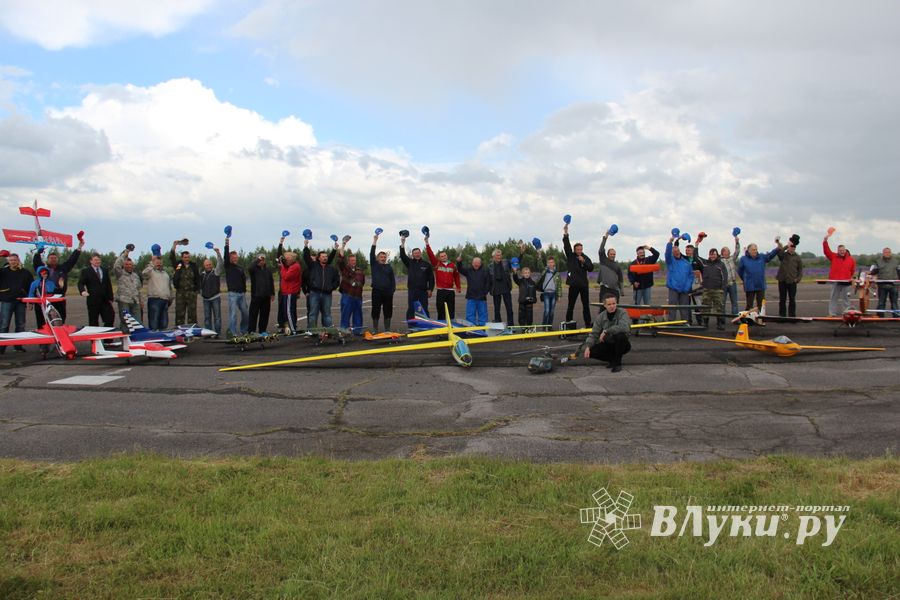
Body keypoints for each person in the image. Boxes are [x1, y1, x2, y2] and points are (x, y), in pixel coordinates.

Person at [32, 235, 83, 322]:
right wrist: (38, 253)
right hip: (45, 298)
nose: (53, 260)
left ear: (58, 259)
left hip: (59, 298)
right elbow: (36, 263)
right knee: (42, 321)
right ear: (47, 259)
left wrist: (79, 247)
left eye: (55, 258)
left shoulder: (63, 268)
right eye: (51, 258)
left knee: (60, 320)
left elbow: (72, 260)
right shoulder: (42, 268)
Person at [581, 293, 632, 373]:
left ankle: (617, 363)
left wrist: (606, 331)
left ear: (616, 303)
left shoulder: (623, 312)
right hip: (609, 342)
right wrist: (588, 346)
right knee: (590, 352)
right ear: (604, 305)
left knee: (620, 336)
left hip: (622, 344)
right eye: (609, 304)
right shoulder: (600, 317)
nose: (612, 306)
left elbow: (624, 327)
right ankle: (613, 360)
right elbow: (594, 333)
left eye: (614, 303)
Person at [562, 222, 595, 327]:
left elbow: (591, 268)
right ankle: (568, 323)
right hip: (574, 285)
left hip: (584, 285)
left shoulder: (585, 257)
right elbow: (566, 245)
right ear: (575, 250)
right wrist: (566, 233)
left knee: (586, 306)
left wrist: (583, 261)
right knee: (571, 305)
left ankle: (588, 324)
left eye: (581, 249)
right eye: (578, 249)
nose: (580, 251)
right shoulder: (571, 256)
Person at [303, 241, 340, 328]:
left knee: (327, 314)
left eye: (326, 256)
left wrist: (331, 287)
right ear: (318, 258)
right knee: (313, 313)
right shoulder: (313, 266)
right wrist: (306, 246)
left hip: (327, 294)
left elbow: (337, 280)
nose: (325, 258)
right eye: (323, 256)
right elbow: (306, 257)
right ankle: (312, 331)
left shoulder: (331, 269)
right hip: (315, 293)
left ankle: (328, 330)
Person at [0, 253, 33, 352]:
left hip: (20, 301)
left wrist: (30, 301)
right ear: (8, 261)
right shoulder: (3, 272)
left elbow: (31, 287)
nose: (13, 262)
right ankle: (2, 347)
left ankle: (18, 345)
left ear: (18, 260)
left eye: (15, 260)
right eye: (11, 260)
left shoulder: (25, 273)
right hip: (7, 300)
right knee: (4, 324)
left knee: (20, 324)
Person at [425, 234, 461, 320]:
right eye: (441, 256)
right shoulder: (437, 264)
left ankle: (451, 325)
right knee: (440, 310)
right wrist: (427, 243)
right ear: (439, 258)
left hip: (450, 292)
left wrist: (458, 287)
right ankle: (441, 326)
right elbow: (430, 255)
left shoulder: (453, 265)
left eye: (444, 256)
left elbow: (456, 276)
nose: (443, 257)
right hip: (441, 291)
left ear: (447, 256)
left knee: (451, 310)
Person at [400, 234, 434, 319]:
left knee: (424, 308)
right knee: (411, 308)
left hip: (423, 291)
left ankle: (426, 326)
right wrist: (402, 243)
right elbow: (403, 256)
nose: (417, 254)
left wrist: (430, 289)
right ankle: (411, 327)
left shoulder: (427, 264)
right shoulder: (410, 263)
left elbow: (431, 278)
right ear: (412, 255)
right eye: (415, 253)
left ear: (420, 253)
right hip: (412, 290)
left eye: (418, 253)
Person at [823, 231, 857, 316]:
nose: (842, 251)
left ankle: (847, 313)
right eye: (840, 250)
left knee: (846, 299)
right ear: (837, 251)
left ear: (845, 250)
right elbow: (826, 251)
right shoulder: (833, 256)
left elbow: (852, 270)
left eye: (843, 250)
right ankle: (832, 314)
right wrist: (825, 241)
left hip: (846, 282)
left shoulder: (851, 259)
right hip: (836, 282)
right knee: (833, 298)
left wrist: (849, 277)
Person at [737, 243, 779, 312]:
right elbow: (740, 271)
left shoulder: (762, 257)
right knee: (749, 304)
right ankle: (749, 319)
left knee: (761, 305)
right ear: (749, 251)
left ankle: (761, 319)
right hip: (749, 285)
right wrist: (745, 279)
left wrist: (777, 249)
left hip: (760, 285)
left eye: (756, 249)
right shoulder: (743, 259)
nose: (755, 251)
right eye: (753, 250)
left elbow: (770, 255)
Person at [77, 253, 115, 327]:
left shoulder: (104, 270)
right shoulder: (86, 271)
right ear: (91, 261)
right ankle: (95, 338)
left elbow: (108, 285)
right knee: (93, 321)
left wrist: (111, 297)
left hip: (105, 300)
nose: (98, 261)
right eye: (95, 260)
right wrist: (82, 291)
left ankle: (107, 337)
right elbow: (80, 283)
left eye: (99, 260)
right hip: (93, 300)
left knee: (110, 318)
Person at [695, 248, 728, 329]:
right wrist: (696, 245)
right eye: (711, 254)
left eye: (714, 254)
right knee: (705, 306)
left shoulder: (721, 264)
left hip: (718, 289)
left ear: (717, 255)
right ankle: (705, 323)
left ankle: (719, 324)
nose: (712, 256)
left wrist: (722, 288)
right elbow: (696, 257)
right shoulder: (705, 263)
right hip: (707, 289)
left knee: (719, 307)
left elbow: (725, 277)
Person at [169, 240, 200, 326]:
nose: (187, 259)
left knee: (192, 314)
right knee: (179, 313)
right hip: (180, 293)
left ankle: (192, 330)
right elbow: (172, 257)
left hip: (191, 293)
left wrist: (197, 290)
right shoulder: (178, 265)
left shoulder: (194, 266)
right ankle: (179, 331)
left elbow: (198, 278)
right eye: (185, 257)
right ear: (182, 258)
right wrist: (174, 246)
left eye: (188, 257)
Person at [223, 235, 249, 336]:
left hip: (241, 294)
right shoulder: (228, 266)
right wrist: (226, 243)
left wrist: (244, 290)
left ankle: (244, 330)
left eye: (236, 256)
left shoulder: (240, 268)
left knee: (245, 313)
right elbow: (225, 255)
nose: (235, 258)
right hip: (232, 294)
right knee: (233, 314)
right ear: (230, 258)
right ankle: (233, 333)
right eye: (233, 257)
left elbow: (243, 279)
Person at [369, 232, 396, 331]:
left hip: (388, 292)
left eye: (384, 257)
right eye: (381, 257)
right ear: (377, 258)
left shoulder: (389, 267)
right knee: (375, 310)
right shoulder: (374, 265)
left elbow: (392, 279)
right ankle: (375, 329)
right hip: (376, 291)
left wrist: (392, 290)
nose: (383, 258)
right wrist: (375, 241)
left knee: (388, 311)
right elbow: (371, 253)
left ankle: (387, 329)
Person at [337, 241, 366, 332]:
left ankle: (357, 330)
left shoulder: (360, 270)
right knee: (345, 314)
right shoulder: (345, 269)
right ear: (348, 262)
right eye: (352, 260)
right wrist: (343, 246)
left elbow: (363, 282)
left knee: (358, 314)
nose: (354, 262)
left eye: (355, 260)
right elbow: (340, 260)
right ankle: (344, 330)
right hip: (347, 295)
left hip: (358, 296)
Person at [664, 236, 694, 322]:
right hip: (673, 288)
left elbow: (690, 275)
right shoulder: (670, 261)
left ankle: (685, 323)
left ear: (679, 251)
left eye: (677, 250)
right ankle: (671, 323)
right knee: (672, 307)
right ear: (672, 252)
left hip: (684, 289)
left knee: (684, 307)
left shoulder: (686, 263)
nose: (676, 252)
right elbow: (667, 253)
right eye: (674, 251)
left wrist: (687, 287)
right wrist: (670, 242)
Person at [113, 245, 143, 330]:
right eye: (127, 264)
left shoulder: (135, 276)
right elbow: (116, 265)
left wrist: (141, 301)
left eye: (131, 264)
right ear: (124, 265)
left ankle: (136, 340)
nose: (129, 266)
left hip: (135, 301)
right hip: (124, 301)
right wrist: (126, 253)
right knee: (126, 322)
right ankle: (125, 340)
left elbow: (138, 289)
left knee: (137, 322)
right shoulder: (120, 273)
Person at [276, 237, 302, 334]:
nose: (285, 260)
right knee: (290, 310)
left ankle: (293, 329)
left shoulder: (295, 267)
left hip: (290, 291)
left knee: (289, 312)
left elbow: (285, 277)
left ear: (291, 259)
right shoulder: (291, 266)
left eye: (286, 258)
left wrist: (282, 267)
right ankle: (292, 327)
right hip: (288, 291)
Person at [456, 255, 491, 325]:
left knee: (483, 314)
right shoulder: (468, 270)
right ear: (472, 263)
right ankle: (471, 327)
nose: (476, 264)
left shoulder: (485, 271)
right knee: (470, 315)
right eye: (475, 263)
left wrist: (485, 292)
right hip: (471, 297)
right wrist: (459, 262)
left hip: (482, 297)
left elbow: (488, 283)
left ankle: (483, 327)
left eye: (478, 263)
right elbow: (460, 269)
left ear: (480, 264)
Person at [141, 254, 173, 330]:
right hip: (154, 300)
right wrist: (151, 264)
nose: (159, 264)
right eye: (157, 263)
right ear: (154, 263)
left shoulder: (165, 274)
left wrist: (170, 298)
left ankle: (162, 338)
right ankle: (153, 337)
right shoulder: (151, 272)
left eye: (160, 263)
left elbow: (169, 287)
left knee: (164, 323)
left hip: (165, 300)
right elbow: (143, 273)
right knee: (154, 323)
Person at [774, 236, 803, 318]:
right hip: (782, 280)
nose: (792, 248)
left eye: (794, 247)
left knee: (792, 300)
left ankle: (792, 316)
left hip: (792, 282)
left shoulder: (797, 258)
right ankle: (782, 315)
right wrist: (787, 245)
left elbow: (800, 270)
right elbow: (779, 253)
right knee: (782, 299)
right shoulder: (783, 255)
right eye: (791, 246)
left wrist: (797, 279)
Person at [248, 254, 275, 333]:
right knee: (253, 314)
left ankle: (262, 330)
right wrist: (257, 260)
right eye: (260, 260)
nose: (262, 261)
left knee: (265, 314)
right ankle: (251, 331)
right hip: (256, 295)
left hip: (266, 296)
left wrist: (272, 293)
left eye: (263, 260)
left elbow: (271, 281)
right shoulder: (254, 270)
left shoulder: (268, 270)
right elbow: (249, 268)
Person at [200, 249, 224, 336]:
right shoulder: (202, 275)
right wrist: (201, 293)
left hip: (215, 298)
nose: (208, 266)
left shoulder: (216, 272)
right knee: (207, 318)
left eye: (209, 264)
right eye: (206, 265)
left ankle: (217, 333)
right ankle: (208, 333)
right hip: (205, 299)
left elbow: (220, 263)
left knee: (217, 317)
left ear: (212, 264)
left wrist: (218, 253)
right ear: (204, 266)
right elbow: (200, 285)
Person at [488, 249, 514, 324]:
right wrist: (487, 289)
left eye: (500, 255)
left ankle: (511, 325)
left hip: (506, 289)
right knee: (496, 309)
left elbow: (516, 262)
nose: (499, 257)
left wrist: (521, 253)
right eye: (497, 255)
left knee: (509, 308)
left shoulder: (506, 262)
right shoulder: (490, 266)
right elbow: (488, 279)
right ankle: (498, 324)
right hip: (496, 290)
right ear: (493, 257)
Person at [597, 230, 624, 301]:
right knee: (603, 307)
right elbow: (601, 250)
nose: (613, 255)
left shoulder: (617, 265)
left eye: (614, 254)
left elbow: (621, 279)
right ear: (608, 254)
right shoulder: (603, 260)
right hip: (604, 289)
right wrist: (605, 237)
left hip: (615, 290)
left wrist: (622, 290)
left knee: (615, 308)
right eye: (611, 254)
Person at [536, 252, 561, 327]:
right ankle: (544, 325)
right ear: (547, 263)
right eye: (549, 262)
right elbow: (540, 265)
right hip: (546, 293)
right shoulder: (544, 271)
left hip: (554, 294)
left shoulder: (557, 274)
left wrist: (559, 295)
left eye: (552, 262)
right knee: (546, 311)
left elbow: (559, 285)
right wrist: (539, 256)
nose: (550, 264)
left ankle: (549, 326)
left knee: (552, 312)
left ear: (554, 263)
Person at [718, 236, 741, 314]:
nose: (729, 252)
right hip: (723, 284)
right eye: (727, 251)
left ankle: (735, 316)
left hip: (732, 283)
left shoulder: (732, 259)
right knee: (722, 302)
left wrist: (737, 242)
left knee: (734, 302)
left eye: (729, 251)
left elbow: (737, 251)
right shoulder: (720, 261)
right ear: (723, 252)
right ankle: (722, 318)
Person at [873, 247, 899, 317]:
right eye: (885, 252)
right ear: (883, 253)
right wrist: (870, 275)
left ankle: (896, 316)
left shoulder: (896, 261)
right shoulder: (878, 261)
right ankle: (880, 316)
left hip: (894, 285)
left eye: (888, 252)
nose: (887, 253)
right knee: (881, 302)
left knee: (894, 302)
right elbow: (874, 271)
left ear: (891, 253)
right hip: (882, 285)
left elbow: (899, 272)